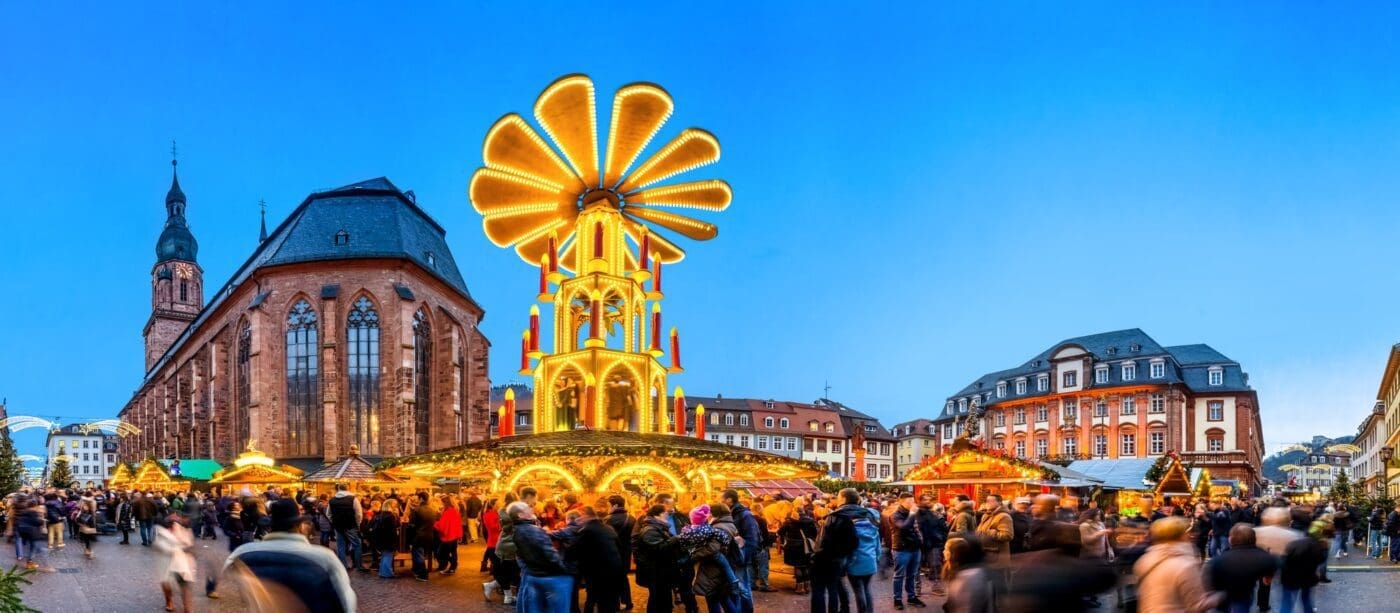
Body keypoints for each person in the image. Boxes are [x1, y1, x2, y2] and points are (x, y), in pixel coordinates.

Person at [222, 498, 357, 612]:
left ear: (270, 526)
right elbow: (346, 601)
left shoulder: (243, 552)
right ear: (301, 526)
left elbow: (225, 582)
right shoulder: (324, 557)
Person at [1133, 516, 1220, 613]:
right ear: (1181, 535)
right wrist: (1220, 596)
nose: (1190, 535)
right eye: (1188, 532)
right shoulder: (1185, 565)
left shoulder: (1146, 559)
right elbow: (1197, 605)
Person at [511, 500, 574, 613]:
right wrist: (566, 569)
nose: (531, 510)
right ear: (520, 515)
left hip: (533, 574)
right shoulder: (533, 530)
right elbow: (549, 554)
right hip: (550, 576)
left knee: (535, 608)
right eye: (527, 509)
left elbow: (520, 555)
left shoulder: (515, 530)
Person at [1207, 524, 1277, 613]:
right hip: (1243, 594)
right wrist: (1267, 578)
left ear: (1230, 539)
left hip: (1221, 594)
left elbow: (1211, 580)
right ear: (1254, 539)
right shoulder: (1265, 557)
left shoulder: (1219, 559)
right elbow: (1268, 578)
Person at [573, 506, 622, 613]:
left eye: (579, 517)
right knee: (609, 599)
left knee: (594, 598)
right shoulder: (609, 528)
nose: (578, 520)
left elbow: (575, 551)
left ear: (585, 516)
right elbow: (619, 547)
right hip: (614, 569)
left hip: (597, 571)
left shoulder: (586, 530)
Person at [1278, 509, 1327, 613]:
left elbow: (1283, 558)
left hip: (1290, 575)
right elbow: (1321, 558)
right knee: (1306, 599)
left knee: (1287, 601)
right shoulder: (1313, 539)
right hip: (1308, 574)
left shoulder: (1288, 535)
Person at [635, 504, 680, 613]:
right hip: (655, 573)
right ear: (657, 515)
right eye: (665, 512)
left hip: (661, 572)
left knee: (663, 598)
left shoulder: (658, 527)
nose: (667, 515)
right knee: (658, 600)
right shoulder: (650, 530)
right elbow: (659, 549)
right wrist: (675, 539)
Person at [720, 489, 760, 612]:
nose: (719, 501)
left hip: (740, 558)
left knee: (742, 587)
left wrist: (742, 557)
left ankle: (747, 610)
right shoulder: (731, 513)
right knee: (736, 587)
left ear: (729, 500)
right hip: (733, 557)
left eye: (721, 498)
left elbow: (753, 540)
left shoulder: (744, 514)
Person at [155, 513, 197, 612]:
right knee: (166, 583)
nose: (175, 522)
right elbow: (160, 546)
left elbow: (189, 543)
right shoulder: (161, 532)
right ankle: (169, 601)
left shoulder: (184, 530)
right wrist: (177, 547)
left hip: (181, 563)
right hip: (166, 562)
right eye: (172, 520)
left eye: (176, 520)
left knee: (184, 584)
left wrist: (186, 548)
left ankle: (187, 608)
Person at [889, 492, 924, 610]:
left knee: (912, 574)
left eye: (913, 501)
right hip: (901, 549)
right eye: (909, 502)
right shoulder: (895, 515)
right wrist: (912, 513)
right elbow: (904, 527)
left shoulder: (913, 513)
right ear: (901, 502)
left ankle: (911, 597)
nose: (912, 504)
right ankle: (897, 599)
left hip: (915, 548)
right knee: (899, 575)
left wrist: (921, 541)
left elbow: (917, 528)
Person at [604, 495, 637, 611]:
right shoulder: (631, 518)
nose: (608, 507)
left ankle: (615, 603)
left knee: (612, 579)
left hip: (612, 553)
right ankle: (627, 601)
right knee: (623, 577)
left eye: (609, 505)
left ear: (615, 505)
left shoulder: (608, 519)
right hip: (626, 553)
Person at [943, 537, 992, 613]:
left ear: (953, 554)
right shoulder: (951, 569)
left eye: (946, 549)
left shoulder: (966, 576)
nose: (943, 552)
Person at [778, 507, 817, 594]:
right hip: (807, 546)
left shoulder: (789, 522)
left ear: (794, 512)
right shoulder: (810, 521)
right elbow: (815, 533)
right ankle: (807, 586)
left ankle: (800, 588)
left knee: (798, 566)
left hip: (793, 546)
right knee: (806, 565)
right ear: (803, 512)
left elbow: (780, 532)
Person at [327, 484, 365, 573]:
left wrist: (334, 521)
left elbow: (328, 514)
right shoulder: (353, 499)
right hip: (351, 525)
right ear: (348, 489)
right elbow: (359, 514)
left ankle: (343, 565)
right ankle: (359, 566)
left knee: (341, 546)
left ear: (338, 489)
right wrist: (357, 524)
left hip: (338, 526)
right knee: (357, 544)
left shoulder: (332, 500)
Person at [915, 497, 948, 598]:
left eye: (929, 500)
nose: (928, 502)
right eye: (925, 500)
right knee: (916, 567)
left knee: (935, 565)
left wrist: (940, 538)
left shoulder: (935, 514)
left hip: (933, 543)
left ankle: (936, 587)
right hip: (918, 544)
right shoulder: (915, 514)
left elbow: (943, 529)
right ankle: (917, 588)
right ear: (919, 501)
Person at [407, 492, 438, 582]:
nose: (416, 500)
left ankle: (422, 574)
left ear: (421, 498)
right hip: (430, 535)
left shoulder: (416, 510)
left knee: (418, 554)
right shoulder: (432, 509)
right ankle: (416, 570)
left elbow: (412, 525)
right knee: (421, 554)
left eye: (417, 498)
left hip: (419, 535)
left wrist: (409, 538)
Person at [369, 498, 400, 578]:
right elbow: (392, 530)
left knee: (384, 556)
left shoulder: (382, 515)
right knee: (388, 556)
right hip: (388, 539)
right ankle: (387, 573)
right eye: (394, 505)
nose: (395, 506)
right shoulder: (390, 516)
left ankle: (383, 572)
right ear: (390, 505)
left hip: (381, 539)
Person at [435, 494, 462, 575]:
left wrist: (435, 524)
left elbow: (442, 525)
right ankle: (453, 567)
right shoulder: (454, 510)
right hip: (454, 535)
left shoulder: (447, 512)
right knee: (453, 552)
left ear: (445, 503)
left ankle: (453, 565)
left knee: (441, 553)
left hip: (449, 536)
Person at [75, 494, 99, 559]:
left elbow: (92, 522)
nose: (83, 506)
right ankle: (87, 550)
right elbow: (77, 519)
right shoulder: (82, 511)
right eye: (83, 505)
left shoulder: (91, 512)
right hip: (84, 528)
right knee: (86, 540)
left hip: (90, 528)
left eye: (85, 505)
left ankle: (91, 552)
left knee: (90, 541)